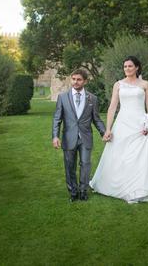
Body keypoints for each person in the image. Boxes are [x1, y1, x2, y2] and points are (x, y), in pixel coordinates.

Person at [90, 56, 148, 203]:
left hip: (140, 124)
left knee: (141, 154)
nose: (127, 69)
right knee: (120, 154)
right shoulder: (118, 85)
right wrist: (108, 129)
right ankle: (120, 184)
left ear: (137, 67)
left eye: (130, 66)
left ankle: (142, 186)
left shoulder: (145, 84)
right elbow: (112, 107)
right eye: (125, 66)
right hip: (122, 123)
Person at [52, 69, 106, 202]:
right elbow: (57, 118)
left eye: (79, 79)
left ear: (85, 81)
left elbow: (96, 119)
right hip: (68, 137)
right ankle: (73, 192)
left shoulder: (92, 98)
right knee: (69, 165)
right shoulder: (63, 97)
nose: (75, 82)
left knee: (85, 164)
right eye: (73, 79)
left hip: (85, 137)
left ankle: (83, 190)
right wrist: (55, 136)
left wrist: (103, 132)